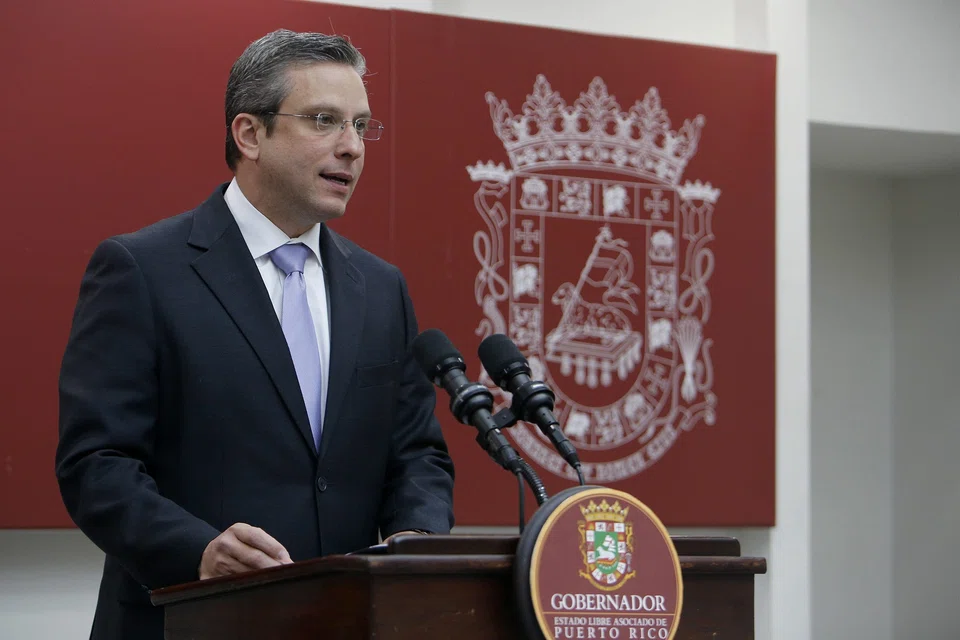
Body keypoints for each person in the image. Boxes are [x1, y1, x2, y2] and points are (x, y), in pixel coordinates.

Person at [54, 29, 455, 640]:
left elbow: (417, 453)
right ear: (249, 134)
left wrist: (417, 541)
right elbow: (96, 463)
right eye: (324, 120)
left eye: (361, 126)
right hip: (188, 619)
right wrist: (197, 549)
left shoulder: (380, 287)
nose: (351, 147)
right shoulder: (143, 270)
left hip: (343, 622)